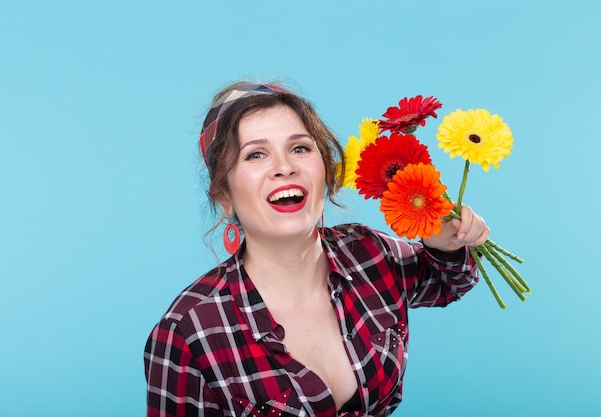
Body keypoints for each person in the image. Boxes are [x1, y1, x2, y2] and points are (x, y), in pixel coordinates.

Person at [144, 82, 490, 417]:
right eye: (256, 154)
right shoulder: (189, 330)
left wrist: (443, 245)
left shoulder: (369, 252)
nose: (285, 167)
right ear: (224, 194)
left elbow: (448, 283)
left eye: (300, 148)